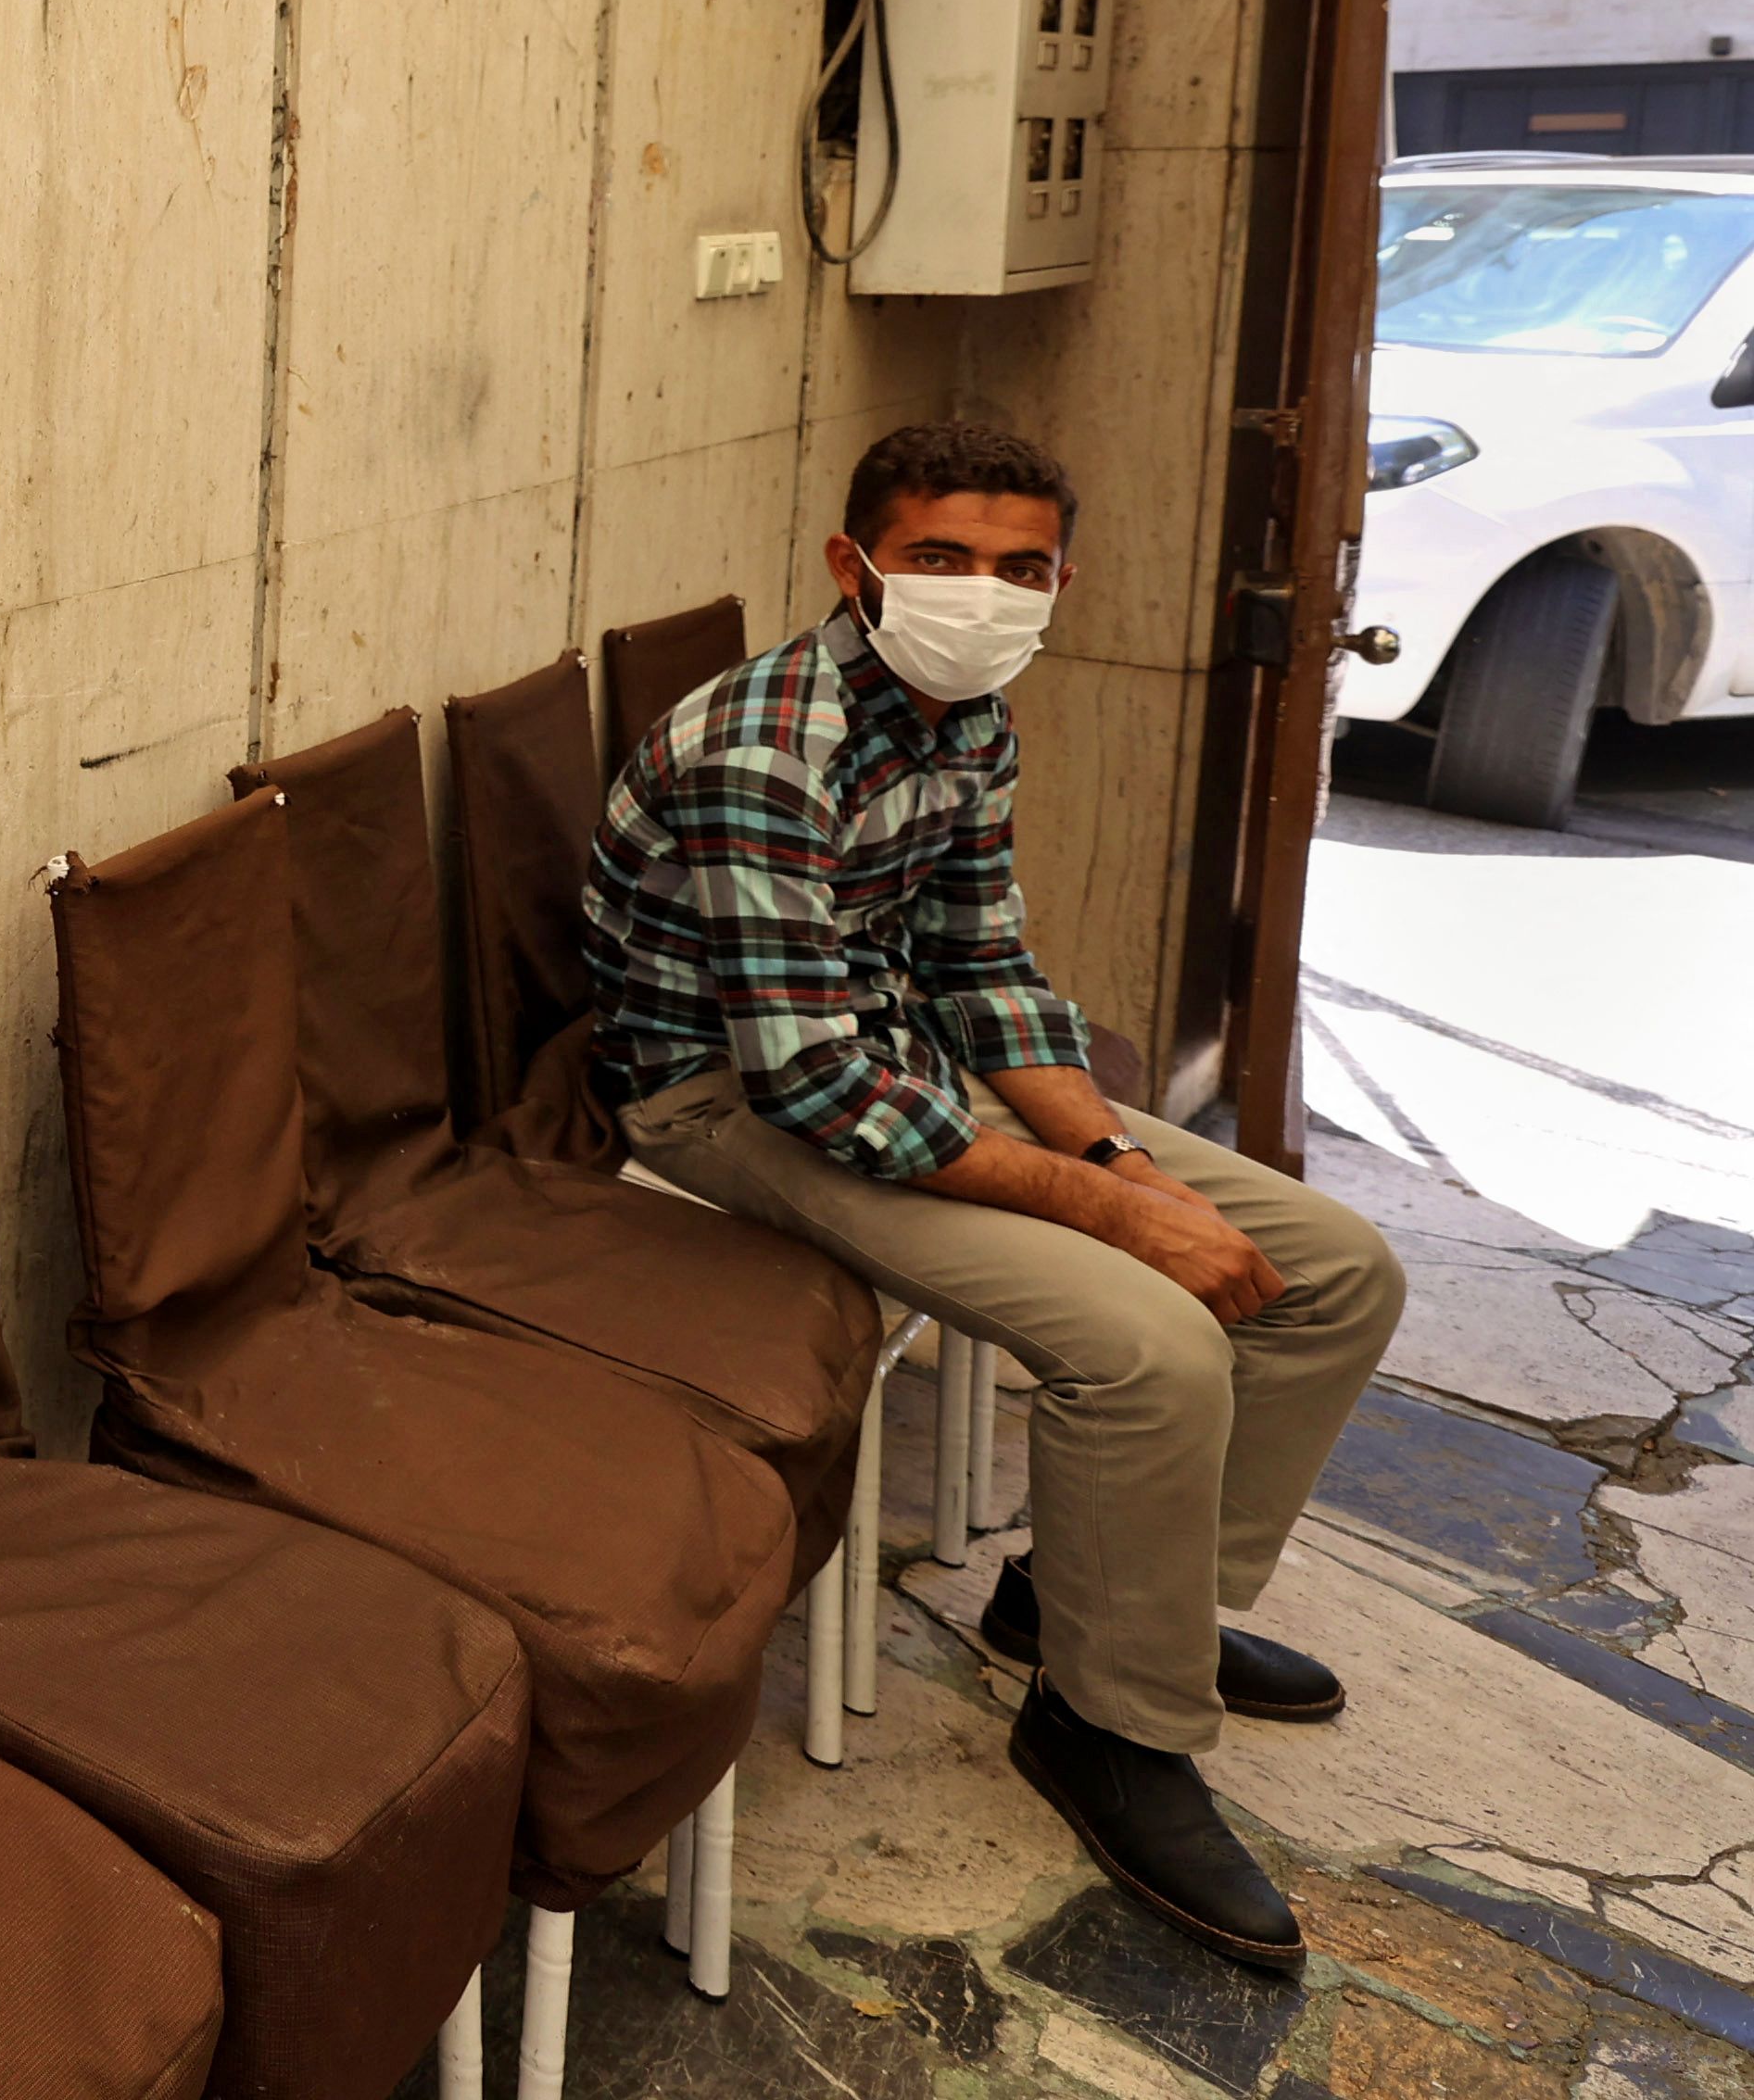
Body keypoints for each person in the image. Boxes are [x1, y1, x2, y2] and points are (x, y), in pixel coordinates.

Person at [587, 419, 1404, 1974]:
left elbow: (982, 966)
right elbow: (810, 1086)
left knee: (1338, 1267)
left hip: (896, 1055)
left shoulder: (968, 715)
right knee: (1146, 1341)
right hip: (720, 1101)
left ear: (1060, 582)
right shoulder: (771, 744)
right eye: (940, 561)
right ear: (857, 565)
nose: (982, 593)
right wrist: (1116, 1217)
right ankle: (1108, 1726)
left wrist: (1114, 1160)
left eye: (1018, 569)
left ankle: (1101, 1609)